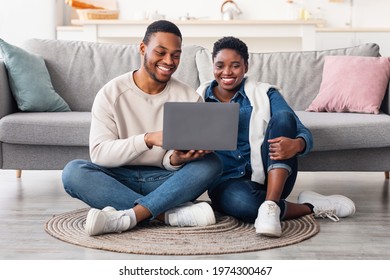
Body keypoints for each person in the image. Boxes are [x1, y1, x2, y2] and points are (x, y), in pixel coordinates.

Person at [62, 20, 222, 236]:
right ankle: (166, 215)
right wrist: (147, 139)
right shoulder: (111, 93)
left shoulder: (189, 98)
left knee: (212, 164)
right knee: (73, 172)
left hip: (163, 182)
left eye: (176, 55)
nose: (169, 61)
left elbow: (170, 159)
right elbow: (99, 155)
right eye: (161, 52)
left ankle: (130, 215)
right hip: (117, 178)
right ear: (142, 48)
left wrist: (177, 160)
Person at [197, 36, 356, 238]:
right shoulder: (199, 98)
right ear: (213, 66)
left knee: (283, 117)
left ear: (246, 66)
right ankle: (311, 206)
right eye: (220, 65)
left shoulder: (266, 93)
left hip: (270, 175)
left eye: (235, 65)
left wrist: (297, 144)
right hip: (226, 183)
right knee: (245, 205)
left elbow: (300, 129)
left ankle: (271, 205)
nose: (227, 72)